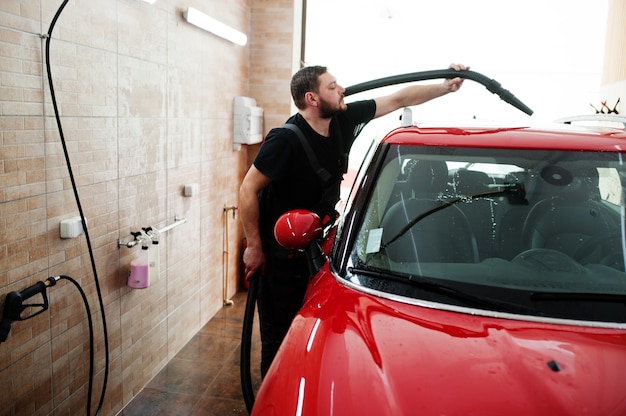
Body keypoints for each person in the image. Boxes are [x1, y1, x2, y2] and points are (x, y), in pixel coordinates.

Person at [239, 63, 469, 377]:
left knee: (312, 330)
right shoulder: (285, 140)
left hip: (317, 244)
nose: (342, 89)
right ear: (312, 98)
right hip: (281, 251)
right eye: (333, 86)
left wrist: (446, 87)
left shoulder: (343, 119)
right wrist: (254, 246)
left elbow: (399, 98)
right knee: (280, 339)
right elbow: (247, 189)